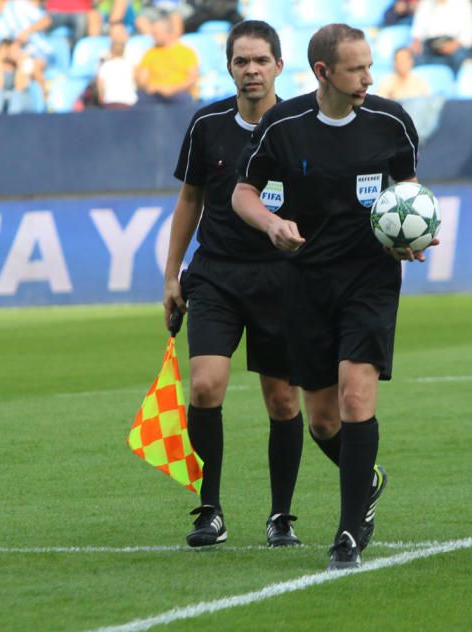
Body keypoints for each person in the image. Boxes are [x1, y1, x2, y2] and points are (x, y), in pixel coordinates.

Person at [232, 23, 432, 570]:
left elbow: (408, 196)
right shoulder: (283, 125)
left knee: (355, 395)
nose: (368, 77)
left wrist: (413, 236)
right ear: (323, 72)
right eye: (356, 69)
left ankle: (349, 531)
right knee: (322, 420)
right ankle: (365, 478)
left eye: (370, 66)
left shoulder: (393, 122)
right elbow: (242, 192)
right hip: (305, 280)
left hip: (370, 278)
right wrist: (271, 224)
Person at [163, 20, 304, 548]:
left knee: (283, 399)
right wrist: (172, 274)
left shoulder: (298, 125)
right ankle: (210, 509)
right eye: (241, 61)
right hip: (217, 273)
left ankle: (282, 515)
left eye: (261, 61)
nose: (251, 71)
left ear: (278, 66)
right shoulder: (207, 124)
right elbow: (189, 200)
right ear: (229, 67)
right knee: (203, 387)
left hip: (281, 277)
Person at [136, 13, 198, 105]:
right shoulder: (150, 53)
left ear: (167, 33)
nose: (152, 37)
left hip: (179, 93)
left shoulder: (186, 52)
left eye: (156, 34)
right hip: (155, 94)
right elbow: (142, 80)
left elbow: (192, 78)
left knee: (185, 99)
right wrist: (157, 88)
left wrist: (172, 89)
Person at [409, 0, 472, 74]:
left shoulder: (463, 3)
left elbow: (468, 34)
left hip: (454, 44)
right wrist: (416, 41)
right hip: (430, 45)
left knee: (459, 58)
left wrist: (453, 45)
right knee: (414, 57)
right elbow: (417, 30)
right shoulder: (425, 3)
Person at [96, 21, 136, 107]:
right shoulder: (103, 56)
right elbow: (100, 79)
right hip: (109, 101)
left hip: (130, 101)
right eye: (114, 34)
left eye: (120, 33)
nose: (117, 37)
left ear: (126, 35)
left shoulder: (134, 53)